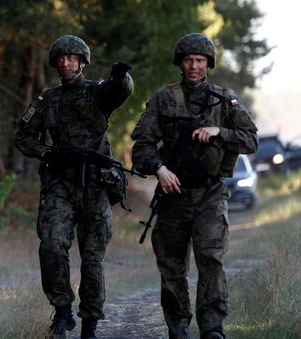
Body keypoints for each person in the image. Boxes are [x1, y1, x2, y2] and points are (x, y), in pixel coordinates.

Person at [130, 33, 258, 339]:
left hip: (210, 192)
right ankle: (178, 329)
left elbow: (251, 139)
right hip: (174, 194)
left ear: (208, 63)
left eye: (200, 60)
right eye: (188, 60)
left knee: (210, 258)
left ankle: (213, 327)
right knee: (172, 267)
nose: (194, 66)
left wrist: (219, 132)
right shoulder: (164, 98)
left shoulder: (225, 100)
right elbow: (141, 148)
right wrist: (159, 170)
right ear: (180, 63)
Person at [14, 35, 133, 339]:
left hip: (95, 184)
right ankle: (63, 311)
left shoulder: (97, 93)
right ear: (55, 63)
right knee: (52, 246)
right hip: (59, 184)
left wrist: (121, 76)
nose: (66, 64)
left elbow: (119, 91)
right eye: (61, 59)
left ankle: (90, 323)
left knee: (92, 258)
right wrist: (47, 152)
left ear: (82, 61)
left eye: (72, 58)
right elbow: (23, 136)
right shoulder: (47, 99)